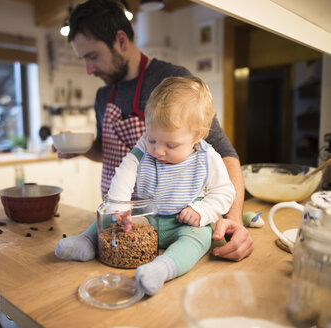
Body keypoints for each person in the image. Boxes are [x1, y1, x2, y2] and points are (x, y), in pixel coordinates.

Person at [56, 0, 253, 261]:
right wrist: (80, 150)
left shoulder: (172, 83)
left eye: (93, 56)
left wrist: (234, 219)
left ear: (121, 41)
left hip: (172, 214)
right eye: (83, 60)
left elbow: (224, 153)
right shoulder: (104, 95)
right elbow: (108, 151)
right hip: (123, 216)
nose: (88, 69)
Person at [56, 76, 236, 295]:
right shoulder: (142, 148)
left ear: (197, 136)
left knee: (199, 239)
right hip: (146, 220)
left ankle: (162, 269)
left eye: (170, 145)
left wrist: (202, 211)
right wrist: (119, 209)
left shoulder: (208, 158)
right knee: (109, 219)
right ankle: (86, 241)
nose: (158, 151)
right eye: (152, 139)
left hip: (184, 223)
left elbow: (225, 192)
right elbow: (124, 173)